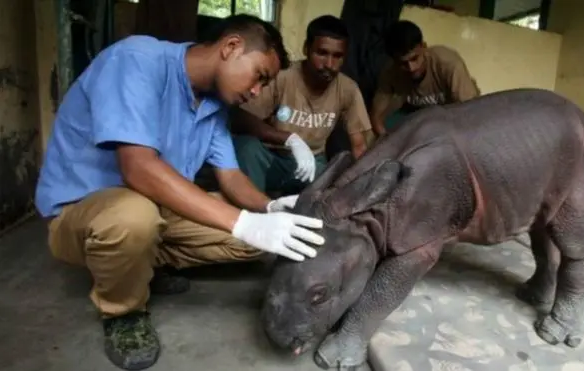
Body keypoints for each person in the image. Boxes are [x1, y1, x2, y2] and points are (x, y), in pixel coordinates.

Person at [34, 14, 326, 371]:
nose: (256, 92)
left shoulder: (215, 106)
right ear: (231, 46)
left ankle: (141, 265)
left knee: (258, 241)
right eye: (259, 77)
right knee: (132, 217)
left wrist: (269, 208)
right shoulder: (137, 60)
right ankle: (123, 311)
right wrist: (240, 221)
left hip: (153, 209)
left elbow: (231, 177)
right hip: (84, 212)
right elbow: (137, 167)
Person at [229, 15, 372, 197]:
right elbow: (240, 118)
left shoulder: (348, 89)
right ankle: (253, 211)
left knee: (336, 177)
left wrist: (365, 184)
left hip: (313, 164)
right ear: (306, 48)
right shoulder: (283, 76)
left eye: (337, 56)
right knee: (247, 148)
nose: (329, 64)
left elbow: (359, 146)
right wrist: (289, 139)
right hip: (273, 157)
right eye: (321, 53)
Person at [370, 20, 481, 137]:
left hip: (453, 115)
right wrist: (386, 142)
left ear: (424, 47)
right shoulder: (390, 72)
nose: (411, 68)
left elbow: (470, 114)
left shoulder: (448, 64)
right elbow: (376, 117)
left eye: (415, 58)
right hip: (418, 116)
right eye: (403, 63)